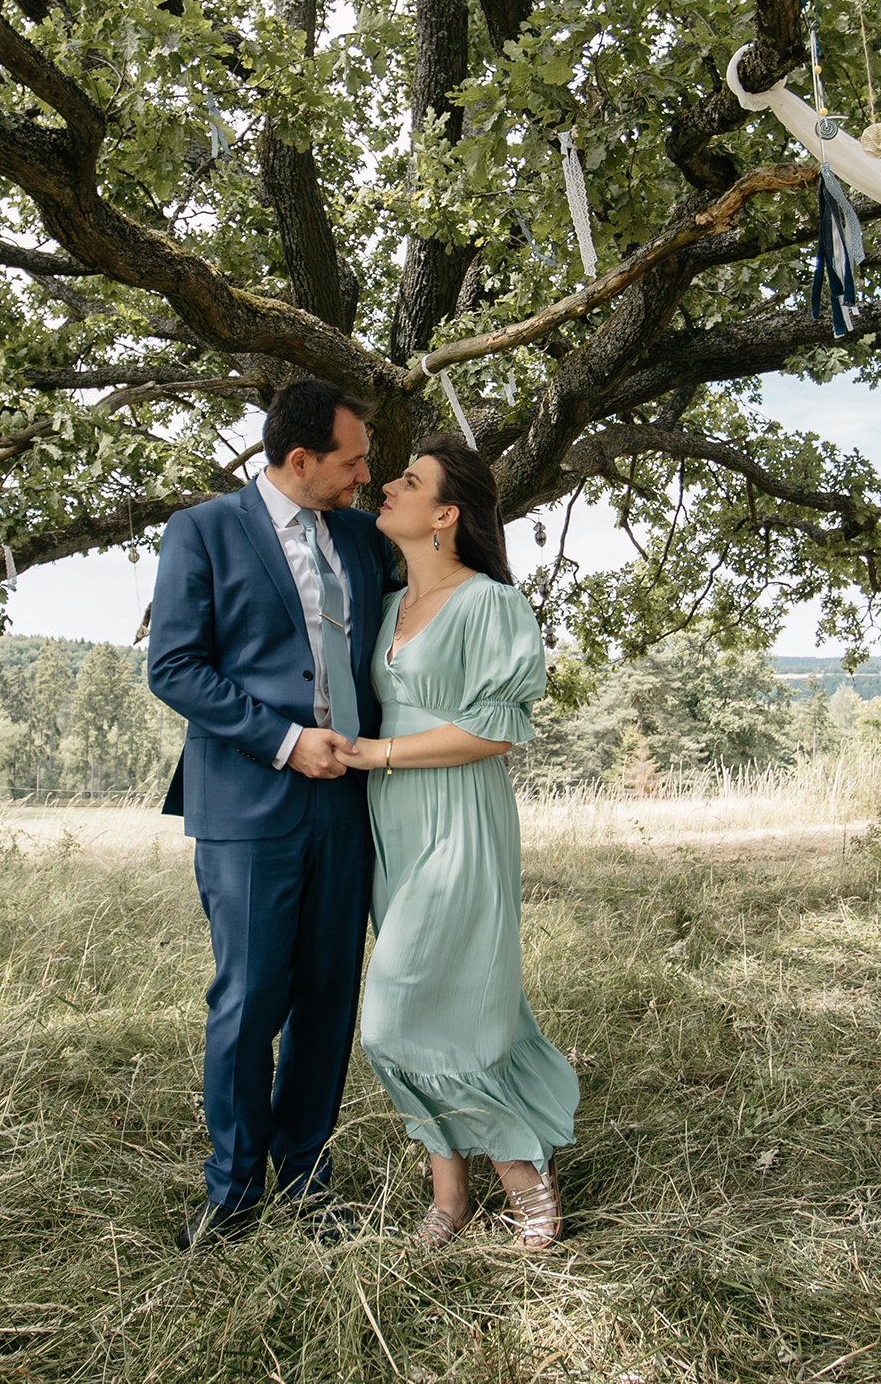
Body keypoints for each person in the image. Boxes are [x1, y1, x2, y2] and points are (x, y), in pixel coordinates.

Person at [147, 379, 402, 1247]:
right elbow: (175, 667)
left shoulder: (367, 538)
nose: (367, 474)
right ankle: (233, 1188)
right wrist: (286, 740)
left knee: (330, 998)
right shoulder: (202, 532)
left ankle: (307, 1177)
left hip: (348, 804)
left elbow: (451, 554)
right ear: (301, 461)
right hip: (249, 804)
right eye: (354, 459)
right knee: (249, 999)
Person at [337, 435, 576, 1249]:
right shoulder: (387, 600)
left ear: (446, 513)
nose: (388, 487)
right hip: (392, 821)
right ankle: (450, 1190)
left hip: (460, 815)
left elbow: (496, 729)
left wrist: (382, 751)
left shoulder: (490, 603)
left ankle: (521, 1166)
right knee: (446, 997)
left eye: (408, 481)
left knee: (398, 1013)